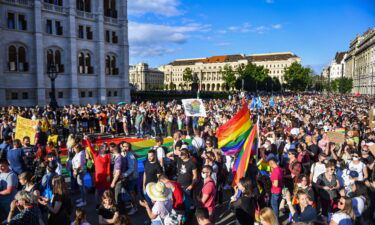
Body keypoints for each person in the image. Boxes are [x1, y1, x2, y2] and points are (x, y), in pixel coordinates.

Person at [84, 138, 111, 203]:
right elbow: (90, 147)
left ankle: (108, 202)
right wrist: (87, 139)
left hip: (105, 176)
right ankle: (97, 203)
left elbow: (108, 166)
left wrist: (108, 175)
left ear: (106, 149)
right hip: (98, 176)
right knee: (97, 189)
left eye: (104, 147)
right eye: (101, 146)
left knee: (107, 190)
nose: (102, 147)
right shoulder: (95, 154)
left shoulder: (108, 156)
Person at [120, 141, 139, 215]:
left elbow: (131, 168)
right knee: (129, 191)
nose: (125, 148)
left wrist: (124, 175)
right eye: (124, 146)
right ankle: (132, 205)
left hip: (132, 176)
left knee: (131, 192)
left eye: (127, 147)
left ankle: (134, 207)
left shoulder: (130, 154)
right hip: (130, 176)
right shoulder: (127, 153)